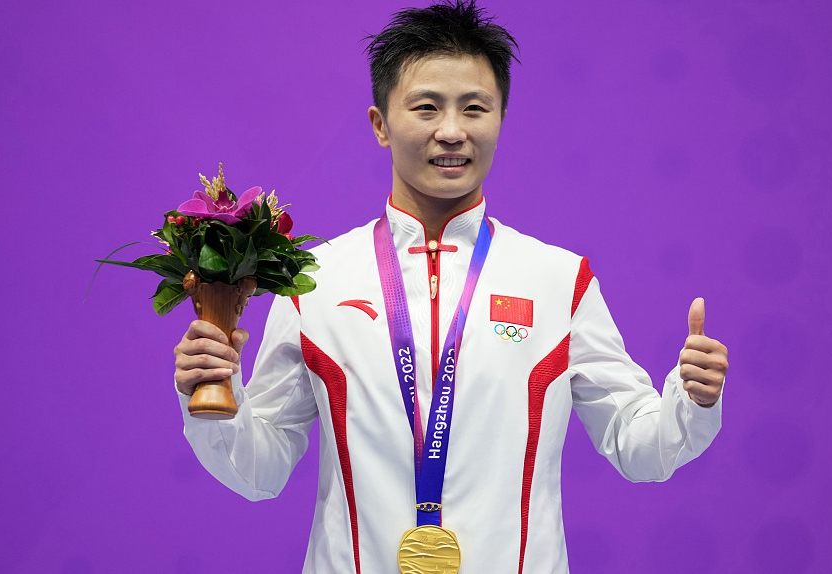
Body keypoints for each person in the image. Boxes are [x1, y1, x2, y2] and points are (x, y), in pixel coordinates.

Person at [173, 1, 729, 572]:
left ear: (501, 118)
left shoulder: (559, 280)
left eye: (474, 108)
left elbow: (637, 446)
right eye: (426, 107)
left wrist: (690, 398)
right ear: (380, 124)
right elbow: (259, 472)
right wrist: (215, 398)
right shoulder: (312, 282)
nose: (452, 131)